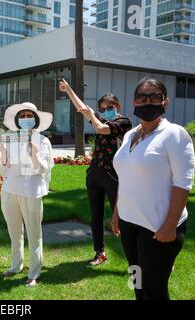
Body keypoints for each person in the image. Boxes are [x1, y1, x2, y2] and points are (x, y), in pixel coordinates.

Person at [112, 78, 195, 300]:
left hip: (158, 228)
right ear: (134, 102)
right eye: (142, 97)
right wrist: (117, 212)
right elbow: (126, 176)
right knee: (136, 280)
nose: (148, 101)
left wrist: (169, 226)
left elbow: (183, 183)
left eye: (155, 97)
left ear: (165, 101)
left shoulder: (174, 134)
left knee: (154, 289)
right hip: (130, 223)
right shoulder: (130, 134)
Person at [59, 79, 132, 266]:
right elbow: (84, 108)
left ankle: (134, 256)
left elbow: (100, 128)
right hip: (95, 174)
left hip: (113, 176)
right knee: (96, 216)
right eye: (102, 107)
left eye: (109, 107)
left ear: (117, 106)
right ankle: (99, 252)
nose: (106, 110)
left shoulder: (124, 122)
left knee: (123, 217)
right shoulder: (99, 117)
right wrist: (68, 90)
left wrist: (92, 114)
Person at [0, 102, 54, 287]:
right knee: (14, 230)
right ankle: (16, 265)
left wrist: (35, 155)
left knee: (33, 232)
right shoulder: (8, 138)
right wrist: (3, 155)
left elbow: (42, 169)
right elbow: (4, 169)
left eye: (29, 115)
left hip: (31, 190)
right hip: (10, 189)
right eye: (22, 116)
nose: (25, 119)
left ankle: (34, 271)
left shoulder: (43, 141)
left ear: (36, 119)